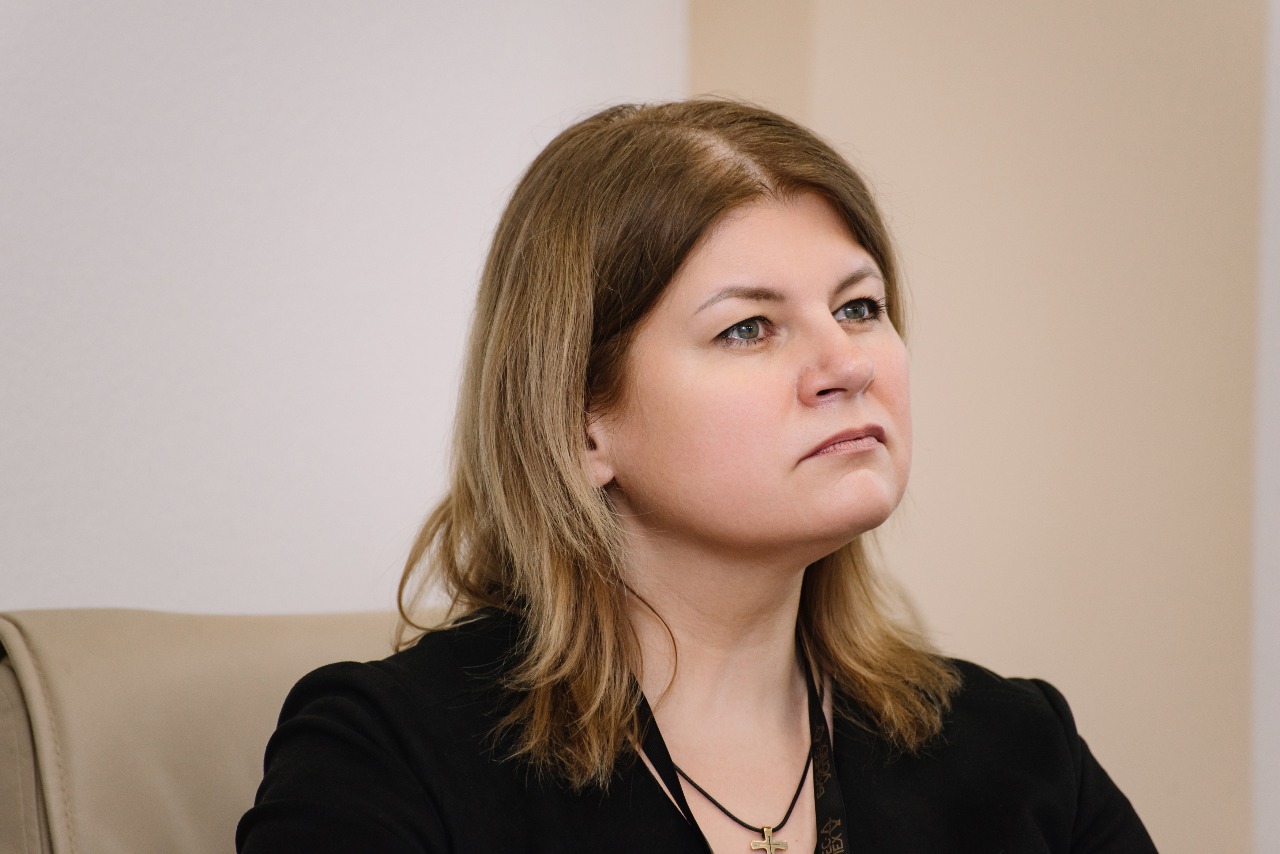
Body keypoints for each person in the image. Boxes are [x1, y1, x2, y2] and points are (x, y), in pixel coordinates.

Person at [236, 99, 1157, 853]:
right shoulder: (386, 756)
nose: (847, 364)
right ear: (580, 423)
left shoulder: (1021, 747)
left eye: (859, 306)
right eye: (748, 329)